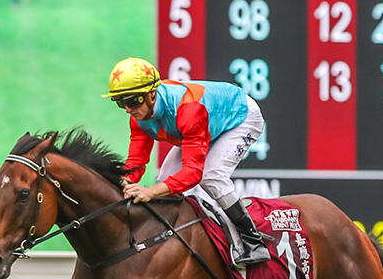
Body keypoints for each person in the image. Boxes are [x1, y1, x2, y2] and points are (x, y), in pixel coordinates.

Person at [103, 57, 270, 265]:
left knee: (211, 176)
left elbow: (193, 173)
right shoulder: (138, 116)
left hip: (240, 117)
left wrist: (150, 191)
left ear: (152, 95)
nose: (128, 109)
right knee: (165, 179)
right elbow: (136, 161)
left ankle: (254, 241)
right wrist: (123, 181)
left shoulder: (188, 110)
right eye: (121, 103)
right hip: (207, 122)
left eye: (132, 101)